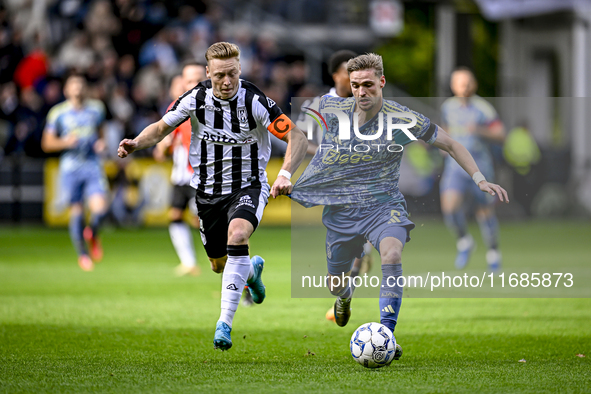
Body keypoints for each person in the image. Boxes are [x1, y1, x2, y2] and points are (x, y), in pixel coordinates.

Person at [291, 54, 509, 361]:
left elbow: (451, 144)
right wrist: (288, 173)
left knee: (391, 253)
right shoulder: (331, 110)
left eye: (368, 84)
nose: (361, 92)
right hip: (342, 211)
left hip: (384, 206)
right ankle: (344, 298)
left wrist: (480, 179)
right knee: (335, 285)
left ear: (381, 83)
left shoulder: (401, 117)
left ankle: (387, 334)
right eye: (355, 86)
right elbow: (296, 136)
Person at [118, 42, 308, 350]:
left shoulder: (255, 101)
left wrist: (285, 174)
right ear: (208, 73)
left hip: (248, 185)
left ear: (240, 70)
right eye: (220, 75)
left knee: (238, 235)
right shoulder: (195, 98)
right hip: (206, 192)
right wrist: (135, 143)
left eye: (232, 73)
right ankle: (250, 270)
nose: (227, 81)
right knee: (219, 265)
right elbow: (160, 128)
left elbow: (295, 136)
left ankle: (224, 323)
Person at [297, 49, 373, 322]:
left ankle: (362, 250)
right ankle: (344, 293)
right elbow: (298, 139)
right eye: (347, 72)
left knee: (361, 231)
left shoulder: (366, 103)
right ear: (335, 75)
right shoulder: (318, 104)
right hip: (332, 182)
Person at [440, 67, 506, 271]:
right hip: (454, 167)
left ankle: (493, 252)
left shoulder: (483, 108)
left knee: (484, 212)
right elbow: (446, 130)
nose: (464, 86)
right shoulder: (447, 107)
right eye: (460, 82)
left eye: (468, 82)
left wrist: (479, 130)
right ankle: (464, 242)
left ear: (474, 84)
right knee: (449, 208)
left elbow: (501, 134)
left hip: (480, 166)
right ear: (453, 86)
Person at [41, 73, 109, 271]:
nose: (78, 88)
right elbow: (46, 143)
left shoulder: (97, 109)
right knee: (77, 212)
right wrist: (65, 142)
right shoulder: (58, 113)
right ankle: (82, 254)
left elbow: (101, 132)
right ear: (66, 90)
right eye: (74, 85)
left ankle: (93, 233)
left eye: (81, 84)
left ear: (86, 89)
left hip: (92, 165)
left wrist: (100, 143)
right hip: (70, 168)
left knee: (100, 209)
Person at [153, 61, 207, 277]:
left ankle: (229, 256)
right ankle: (189, 262)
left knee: (200, 219)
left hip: (199, 174)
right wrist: (162, 148)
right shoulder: (176, 107)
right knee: (175, 214)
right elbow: (164, 139)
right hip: (181, 174)